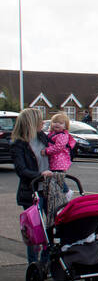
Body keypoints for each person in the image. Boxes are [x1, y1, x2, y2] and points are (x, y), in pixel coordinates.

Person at [10, 109, 53, 264]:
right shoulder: (18, 145)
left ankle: (46, 261)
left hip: (48, 189)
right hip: (31, 192)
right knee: (35, 230)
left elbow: (58, 152)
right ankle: (34, 265)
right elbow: (22, 170)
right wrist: (40, 175)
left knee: (51, 228)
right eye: (40, 120)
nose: (43, 123)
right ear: (31, 123)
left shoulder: (44, 138)